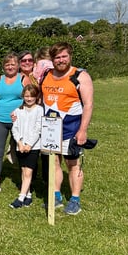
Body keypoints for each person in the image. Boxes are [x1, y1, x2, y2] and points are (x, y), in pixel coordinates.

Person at [40, 42, 94, 215]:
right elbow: (42, 100)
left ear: (70, 56)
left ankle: (75, 199)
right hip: (50, 129)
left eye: (64, 56)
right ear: (52, 59)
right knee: (54, 162)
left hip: (71, 128)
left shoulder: (79, 75)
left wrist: (83, 130)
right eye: (57, 57)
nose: (61, 60)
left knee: (73, 164)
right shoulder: (46, 74)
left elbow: (88, 104)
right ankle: (56, 196)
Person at [0, 53, 29, 194]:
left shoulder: (24, 79)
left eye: (13, 64)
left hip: (19, 121)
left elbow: (31, 99)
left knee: (22, 151)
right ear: (3, 66)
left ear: (18, 66)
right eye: (7, 64)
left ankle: (26, 182)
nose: (10, 67)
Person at [10, 84, 43, 208]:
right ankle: (28, 195)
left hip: (33, 146)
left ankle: (20, 198)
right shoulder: (18, 110)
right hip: (20, 145)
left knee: (28, 172)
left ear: (36, 97)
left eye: (32, 96)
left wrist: (29, 144)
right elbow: (15, 128)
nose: (29, 99)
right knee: (23, 171)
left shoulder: (39, 110)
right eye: (26, 96)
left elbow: (38, 129)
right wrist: (19, 142)